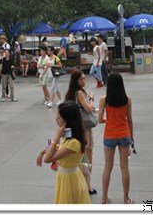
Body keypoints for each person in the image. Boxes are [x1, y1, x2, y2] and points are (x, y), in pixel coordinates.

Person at [36, 101, 91, 204]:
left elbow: (47, 159)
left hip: (70, 181)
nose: (56, 119)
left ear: (67, 121)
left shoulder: (73, 142)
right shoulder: (70, 137)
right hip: (66, 178)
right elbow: (60, 151)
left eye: (59, 118)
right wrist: (43, 151)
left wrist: (56, 137)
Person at [98, 73, 134, 205]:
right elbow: (129, 120)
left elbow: (99, 120)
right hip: (124, 135)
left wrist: (109, 120)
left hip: (110, 135)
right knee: (124, 167)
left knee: (108, 167)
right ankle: (126, 198)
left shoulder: (104, 100)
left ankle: (104, 198)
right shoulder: (127, 99)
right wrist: (132, 137)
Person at [64, 70, 97, 195]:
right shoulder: (79, 92)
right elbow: (88, 109)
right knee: (88, 159)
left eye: (84, 78)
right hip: (84, 129)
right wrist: (91, 99)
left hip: (75, 129)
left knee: (79, 159)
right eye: (81, 79)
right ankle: (87, 186)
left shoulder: (70, 94)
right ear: (76, 81)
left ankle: (78, 185)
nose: (84, 81)